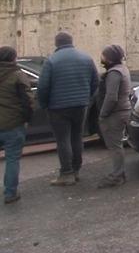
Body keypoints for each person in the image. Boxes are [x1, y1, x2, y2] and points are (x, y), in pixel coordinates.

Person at [36, 32, 99, 186]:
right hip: (81, 105)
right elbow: (95, 82)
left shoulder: (51, 61)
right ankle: (76, 170)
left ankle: (66, 173)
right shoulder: (86, 58)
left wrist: (44, 104)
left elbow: (43, 87)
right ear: (71, 41)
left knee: (63, 139)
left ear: (56, 43)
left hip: (58, 107)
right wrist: (86, 98)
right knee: (77, 137)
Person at [96, 45, 132, 188]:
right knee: (116, 145)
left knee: (115, 146)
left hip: (115, 114)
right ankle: (119, 173)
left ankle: (117, 176)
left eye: (103, 56)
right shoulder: (122, 69)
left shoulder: (114, 73)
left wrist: (103, 114)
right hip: (122, 111)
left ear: (110, 58)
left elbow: (111, 97)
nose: (101, 58)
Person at [0, 46, 33, 204]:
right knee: (12, 159)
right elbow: (27, 102)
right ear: (13, 58)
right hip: (13, 124)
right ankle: (10, 193)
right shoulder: (18, 75)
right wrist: (26, 119)